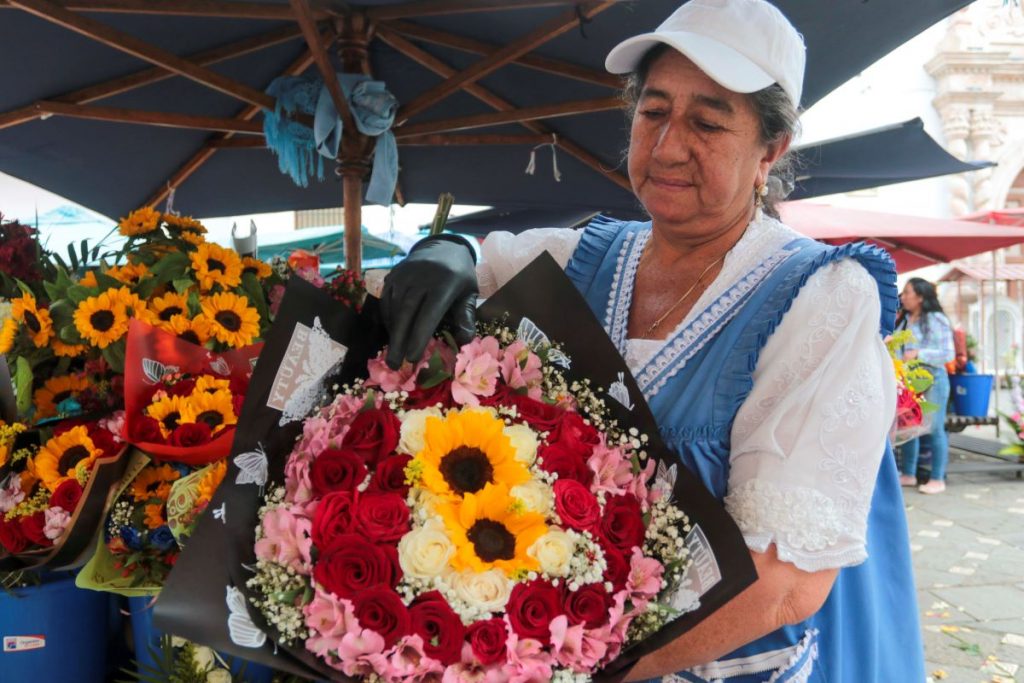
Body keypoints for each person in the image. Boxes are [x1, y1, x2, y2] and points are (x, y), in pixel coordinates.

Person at [380, 0, 924, 680]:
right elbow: (477, 264)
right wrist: (446, 250)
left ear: (770, 150)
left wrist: (578, 670)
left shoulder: (818, 298)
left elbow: (782, 580)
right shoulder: (587, 256)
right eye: (653, 111)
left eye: (707, 121)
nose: (667, 145)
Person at [898, 277, 955, 494]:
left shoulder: (935, 318)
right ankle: (909, 474)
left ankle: (937, 478)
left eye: (907, 293)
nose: (902, 297)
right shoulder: (906, 320)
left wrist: (918, 353)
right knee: (909, 427)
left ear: (920, 297)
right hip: (910, 381)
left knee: (934, 427)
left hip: (934, 380)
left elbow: (947, 353)